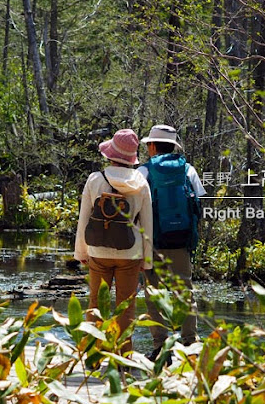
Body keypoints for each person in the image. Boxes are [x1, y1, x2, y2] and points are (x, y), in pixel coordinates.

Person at [74, 128, 153, 354]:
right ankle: (123, 355)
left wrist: (81, 253)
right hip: (130, 253)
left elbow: (84, 219)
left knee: (96, 304)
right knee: (125, 308)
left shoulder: (95, 179)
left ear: (109, 155)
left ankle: (93, 354)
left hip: (98, 251)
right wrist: (146, 261)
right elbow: (148, 224)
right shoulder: (141, 183)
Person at [137, 124, 206, 361]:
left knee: (154, 293)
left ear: (153, 146)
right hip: (181, 241)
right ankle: (191, 343)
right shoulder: (188, 169)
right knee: (184, 291)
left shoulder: (144, 172)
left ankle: (161, 348)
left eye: (148, 144)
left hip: (152, 241)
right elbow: (199, 202)